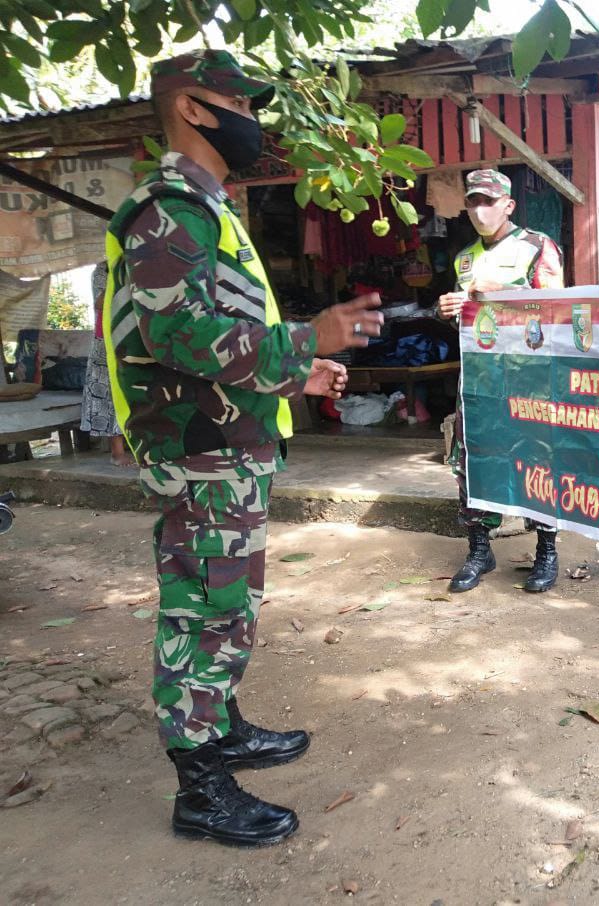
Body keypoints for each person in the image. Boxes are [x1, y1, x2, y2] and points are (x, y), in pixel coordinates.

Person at [106, 50, 385, 846]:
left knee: (229, 604)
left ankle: (220, 727)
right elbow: (174, 333)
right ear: (193, 109)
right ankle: (200, 788)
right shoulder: (170, 210)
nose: (254, 120)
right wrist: (307, 337)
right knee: (202, 610)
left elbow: (225, 337)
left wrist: (300, 368)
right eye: (243, 102)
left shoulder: (209, 209)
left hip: (226, 449)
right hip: (201, 458)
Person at [437, 169, 565, 594]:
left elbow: (556, 314)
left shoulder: (537, 246)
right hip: (479, 378)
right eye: (472, 202)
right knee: (474, 457)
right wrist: (450, 309)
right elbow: (469, 320)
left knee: (536, 457)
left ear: (508, 205)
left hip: (528, 378)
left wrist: (504, 291)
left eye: (488, 202)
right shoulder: (464, 258)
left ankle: (546, 550)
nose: (479, 210)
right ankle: (479, 548)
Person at [80, 261, 131, 466]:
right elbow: (100, 303)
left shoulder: (136, 262)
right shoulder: (104, 269)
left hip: (129, 337)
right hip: (107, 342)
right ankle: (117, 454)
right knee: (109, 396)